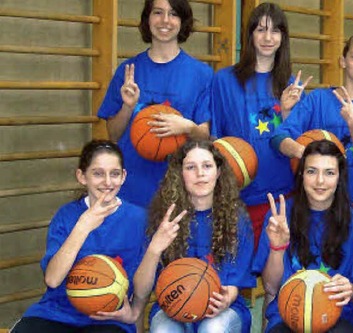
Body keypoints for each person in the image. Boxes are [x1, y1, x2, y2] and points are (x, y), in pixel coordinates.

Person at [11, 140, 147, 333]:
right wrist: (83, 226)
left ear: (123, 176)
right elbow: (52, 280)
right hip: (57, 313)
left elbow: (144, 286)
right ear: (82, 176)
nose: (108, 182)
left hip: (108, 319)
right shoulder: (66, 215)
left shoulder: (139, 218)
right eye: (98, 173)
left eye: (114, 174)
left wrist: (134, 313)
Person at [212, 2, 312, 248]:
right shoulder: (224, 81)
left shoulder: (292, 86)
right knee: (237, 279)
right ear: (250, 35)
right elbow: (214, 139)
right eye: (261, 29)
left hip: (283, 198)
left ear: (283, 38)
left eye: (275, 31)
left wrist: (287, 112)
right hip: (237, 199)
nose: (268, 37)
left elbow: (300, 148)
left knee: (277, 279)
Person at [98, 0, 213, 207]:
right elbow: (113, 134)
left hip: (179, 189)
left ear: (182, 21)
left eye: (173, 14)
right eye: (158, 12)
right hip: (132, 188)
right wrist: (128, 106)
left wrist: (187, 126)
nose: (165, 20)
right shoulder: (128, 70)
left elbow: (206, 135)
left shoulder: (201, 74)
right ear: (147, 19)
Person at [133, 139, 255, 333]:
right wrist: (155, 249)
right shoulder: (163, 220)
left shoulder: (237, 220)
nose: (200, 174)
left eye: (207, 166)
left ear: (218, 172)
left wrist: (226, 298)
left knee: (212, 329)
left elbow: (234, 284)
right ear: (180, 175)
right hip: (174, 304)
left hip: (224, 309)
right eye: (191, 167)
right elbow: (141, 290)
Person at [252, 140, 353, 332]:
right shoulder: (279, 216)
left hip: (337, 316)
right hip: (288, 314)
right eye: (312, 171)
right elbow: (271, 288)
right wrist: (277, 248)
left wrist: (351, 290)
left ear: (340, 178)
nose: (320, 181)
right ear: (302, 175)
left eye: (329, 173)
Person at [272, 32, 353, 207]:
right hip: (315, 206)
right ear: (343, 61)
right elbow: (278, 138)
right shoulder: (318, 99)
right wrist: (303, 152)